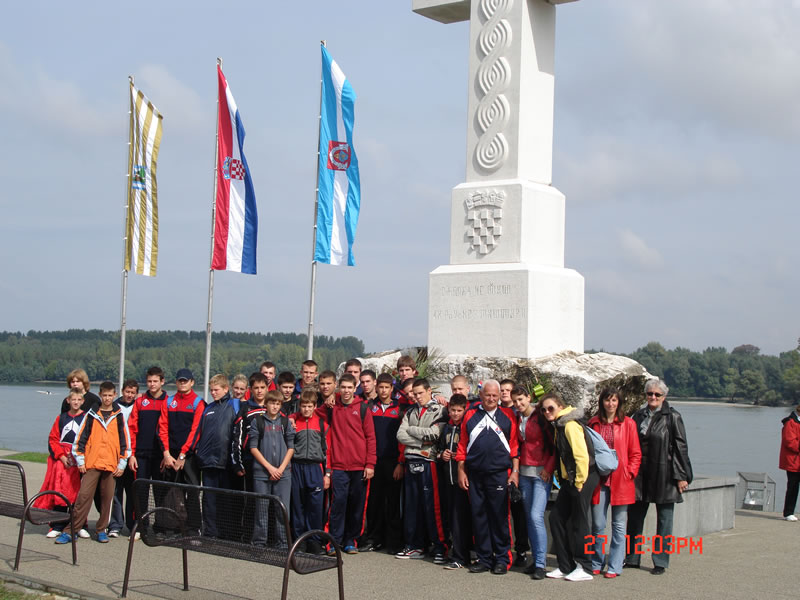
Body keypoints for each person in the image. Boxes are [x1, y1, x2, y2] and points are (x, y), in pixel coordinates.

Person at [625, 378, 692, 575]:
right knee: (634, 518)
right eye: (650, 394)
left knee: (664, 520)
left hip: (665, 474)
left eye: (657, 394)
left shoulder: (673, 417)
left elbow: (681, 448)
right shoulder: (638, 415)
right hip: (640, 475)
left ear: (664, 396)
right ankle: (632, 557)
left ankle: (660, 561)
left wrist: (682, 476)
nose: (653, 397)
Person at [456, 379, 519, 575]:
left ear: (499, 396)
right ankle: (484, 558)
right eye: (487, 395)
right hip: (475, 473)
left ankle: (502, 558)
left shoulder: (508, 416)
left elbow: (515, 447)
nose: (491, 399)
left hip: (499, 474)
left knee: (499, 517)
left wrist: (515, 472)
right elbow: (462, 445)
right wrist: (461, 470)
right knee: (479, 516)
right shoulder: (470, 414)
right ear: (480, 395)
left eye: (494, 395)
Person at [55, 381, 130, 544]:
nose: (107, 398)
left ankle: (101, 530)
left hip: (110, 464)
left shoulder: (119, 416)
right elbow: (79, 440)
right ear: (100, 395)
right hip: (92, 462)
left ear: (115, 395)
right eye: (104, 395)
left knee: (106, 499)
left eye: (110, 395)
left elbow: (125, 442)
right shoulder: (91, 414)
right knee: (83, 497)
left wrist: (122, 463)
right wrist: (80, 460)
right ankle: (71, 530)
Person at [315, 373, 376, 554]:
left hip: (360, 467)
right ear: (338, 388)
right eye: (343, 387)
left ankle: (351, 540)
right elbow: (314, 414)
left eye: (350, 387)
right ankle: (333, 541)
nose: (346, 391)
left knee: (357, 506)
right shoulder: (332, 407)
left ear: (355, 388)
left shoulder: (363, 408)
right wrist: (328, 401)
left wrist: (370, 464)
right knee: (338, 505)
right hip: (339, 466)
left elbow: (371, 438)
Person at [542, 392, 598, 582]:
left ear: (560, 406)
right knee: (556, 518)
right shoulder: (559, 425)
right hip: (570, 479)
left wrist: (580, 482)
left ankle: (586, 567)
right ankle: (566, 565)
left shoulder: (570, 425)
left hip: (583, 477)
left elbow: (581, 456)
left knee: (579, 522)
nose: (547, 412)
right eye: (544, 410)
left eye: (550, 408)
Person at [587, 387, 641, 578]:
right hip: (599, 480)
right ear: (602, 402)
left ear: (619, 403)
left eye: (614, 400)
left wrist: (630, 472)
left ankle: (615, 565)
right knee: (598, 524)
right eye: (607, 400)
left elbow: (635, 452)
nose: (610, 404)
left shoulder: (628, 424)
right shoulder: (594, 423)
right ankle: (596, 561)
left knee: (619, 525)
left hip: (621, 480)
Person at [395, 378, 447, 562]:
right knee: (412, 507)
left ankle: (440, 547)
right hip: (411, 461)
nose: (417, 397)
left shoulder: (440, 410)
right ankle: (414, 545)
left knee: (432, 507)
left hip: (429, 463)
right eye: (414, 394)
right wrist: (420, 444)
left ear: (429, 391)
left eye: (420, 393)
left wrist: (412, 430)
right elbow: (400, 434)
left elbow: (434, 434)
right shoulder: (410, 411)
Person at [511, 386, 555, 580]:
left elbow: (554, 445)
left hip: (541, 473)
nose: (518, 404)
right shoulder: (517, 417)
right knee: (529, 517)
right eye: (515, 401)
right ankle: (535, 559)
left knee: (536, 516)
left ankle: (540, 564)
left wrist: (549, 468)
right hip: (524, 472)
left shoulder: (540, 416)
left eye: (521, 399)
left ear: (529, 397)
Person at [158, 368, 205, 533]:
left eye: (186, 380)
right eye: (180, 380)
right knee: (170, 492)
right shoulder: (168, 402)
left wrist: (183, 455)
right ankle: (171, 526)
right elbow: (162, 428)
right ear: (176, 382)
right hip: (170, 455)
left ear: (192, 382)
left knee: (192, 492)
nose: (182, 383)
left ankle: (193, 528)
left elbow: (196, 431)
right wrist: (166, 453)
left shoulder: (198, 403)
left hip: (189, 456)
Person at [361, 372, 404, 554]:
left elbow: (403, 439)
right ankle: (374, 539)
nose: (384, 390)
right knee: (374, 502)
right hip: (374, 461)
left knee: (393, 503)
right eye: (381, 387)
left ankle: (393, 542)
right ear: (376, 387)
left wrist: (400, 463)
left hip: (393, 461)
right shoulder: (369, 407)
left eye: (387, 387)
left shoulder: (399, 408)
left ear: (392, 388)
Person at [194, 374, 240, 538]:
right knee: (209, 500)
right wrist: (198, 451)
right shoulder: (208, 408)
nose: (213, 393)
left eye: (216, 390)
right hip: (208, 462)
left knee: (226, 500)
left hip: (226, 462)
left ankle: (226, 534)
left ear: (226, 389)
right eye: (211, 390)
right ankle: (210, 532)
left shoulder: (234, 405)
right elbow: (199, 432)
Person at [36, 390, 87, 538]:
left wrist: (81, 458)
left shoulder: (86, 418)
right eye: (73, 399)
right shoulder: (61, 418)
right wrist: (61, 456)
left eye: (78, 399)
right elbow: (53, 439)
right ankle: (57, 525)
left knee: (78, 494)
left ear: (82, 401)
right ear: (68, 401)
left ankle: (78, 524)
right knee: (60, 491)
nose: (76, 402)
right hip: (62, 462)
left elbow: (90, 439)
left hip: (79, 461)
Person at [249, 389, 295, 546]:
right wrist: (269, 468)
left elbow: (291, 447)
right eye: (272, 403)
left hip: (283, 474)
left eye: (278, 404)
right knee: (261, 510)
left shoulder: (285, 422)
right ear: (266, 404)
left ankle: (283, 544)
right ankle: (259, 543)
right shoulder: (257, 422)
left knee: (282, 510)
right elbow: (253, 447)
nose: (275, 406)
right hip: (262, 473)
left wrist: (280, 469)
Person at [289, 389, 328, 554]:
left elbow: (328, 450)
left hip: (315, 468)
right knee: (298, 506)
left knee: (315, 507)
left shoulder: (321, 424)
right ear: (299, 406)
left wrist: (328, 474)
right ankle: (300, 541)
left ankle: (314, 541)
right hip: (297, 467)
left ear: (315, 406)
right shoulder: (292, 422)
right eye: (303, 406)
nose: (306, 409)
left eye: (309, 406)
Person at [437, 393, 471, 570]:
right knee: (451, 517)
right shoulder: (447, 428)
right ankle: (455, 553)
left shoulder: (468, 427)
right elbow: (439, 448)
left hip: (463, 480)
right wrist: (442, 454)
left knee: (461, 519)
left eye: (459, 411)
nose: (455, 414)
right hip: (448, 478)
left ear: (465, 410)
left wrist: (460, 456)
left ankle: (461, 556)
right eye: (453, 410)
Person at [108, 379, 139, 538]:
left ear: (136, 394)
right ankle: (115, 524)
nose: (129, 395)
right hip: (116, 456)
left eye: (132, 393)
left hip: (132, 456)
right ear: (122, 391)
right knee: (115, 492)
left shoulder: (138, 406)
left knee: (132, 492)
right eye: (127, 392)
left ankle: (132, 524)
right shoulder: (114, 406)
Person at [780, 402, 800, 521]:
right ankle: (788, 512)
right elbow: (789, 442)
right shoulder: (790, 422)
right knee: (793, 486)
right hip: (793, 460)